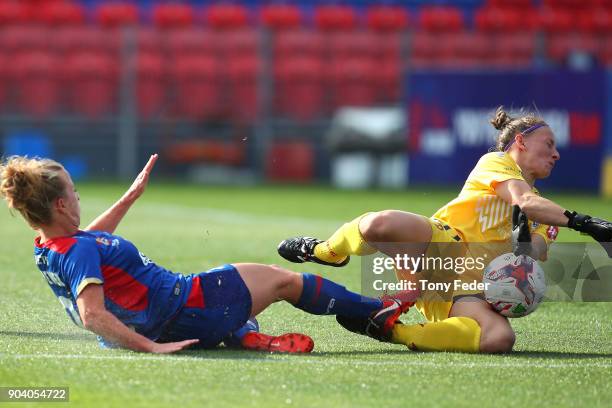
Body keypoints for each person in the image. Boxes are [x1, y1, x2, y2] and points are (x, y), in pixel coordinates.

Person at [278, 107, 612, 353]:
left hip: (465, 290)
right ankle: (325, 252)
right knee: (380, 223)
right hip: (438, 248)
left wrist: (523, 243)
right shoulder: (496, 162)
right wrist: (585, 223)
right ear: (520, 142)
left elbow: (535, 254)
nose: (555, 154)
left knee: (499, 338)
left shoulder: (544, 208)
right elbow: (522, 200)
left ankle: (389, 329)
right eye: (549, 144)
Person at [0, 154, 410, 354]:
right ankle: (376, 308)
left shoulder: (50, 244)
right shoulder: (75, 251)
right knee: (282, 279)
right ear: (58, 205)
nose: (77, 195)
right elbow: (92, 316)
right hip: (187, 308)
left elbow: (87, 243)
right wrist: (151, 348)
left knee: (239, 295)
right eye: (73, 190)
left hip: (171, 317)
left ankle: (244, 334)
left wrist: (128, 198)